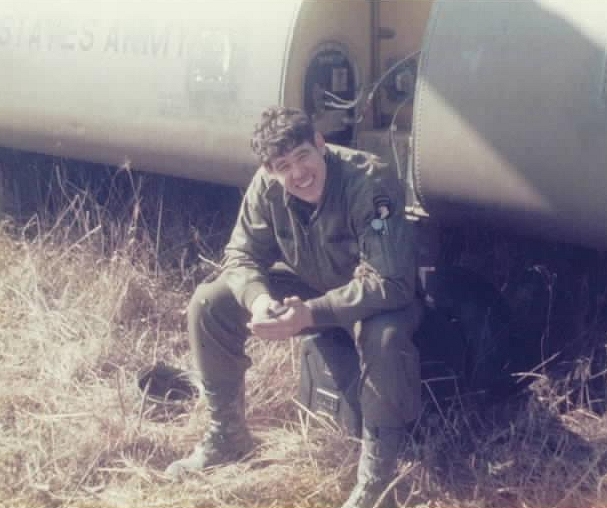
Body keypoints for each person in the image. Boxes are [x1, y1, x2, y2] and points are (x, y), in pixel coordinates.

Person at [165, 105, 423, 508]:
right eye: (283, 166)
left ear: (321, 144)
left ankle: (377, 484)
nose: (297, 174)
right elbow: (240, 254)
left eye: (303, 155)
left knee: (384, 338)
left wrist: (312, 312)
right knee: (209, 303)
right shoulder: (267, 186)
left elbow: (391, 281)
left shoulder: (367, 180)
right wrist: (260, 300)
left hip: (377, 295)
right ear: (270, 170)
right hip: (309, 285)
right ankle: (227, 435)